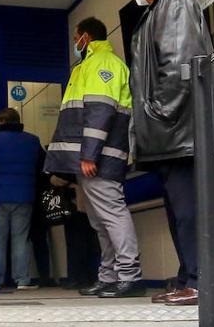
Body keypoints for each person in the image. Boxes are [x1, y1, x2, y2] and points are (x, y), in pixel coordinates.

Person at [129, 0, 214, 307]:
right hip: (176, 133)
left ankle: (201, 282)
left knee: (190, 211)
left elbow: (178, 66)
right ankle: (189, 277)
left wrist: (157, 115)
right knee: (181, 210)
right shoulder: (162, 8)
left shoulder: (174, 3)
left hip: (182, 131)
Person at [46, 17, 144, 298]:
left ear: (85, 37)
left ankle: (130, 276)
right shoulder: (89, 64)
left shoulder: (102, 64)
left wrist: (89, 154)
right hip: (91, 158)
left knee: (112, 214)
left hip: (99, 157)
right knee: (100, 220)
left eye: (76, 37)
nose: (75, 43)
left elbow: (100, 111)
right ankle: (109, 276)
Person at [0, 109, 42, 289]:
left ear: (2, 121)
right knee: (21, 239)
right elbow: (41, 165)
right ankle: (22, 280)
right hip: (25, 195)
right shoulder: (33, 140)